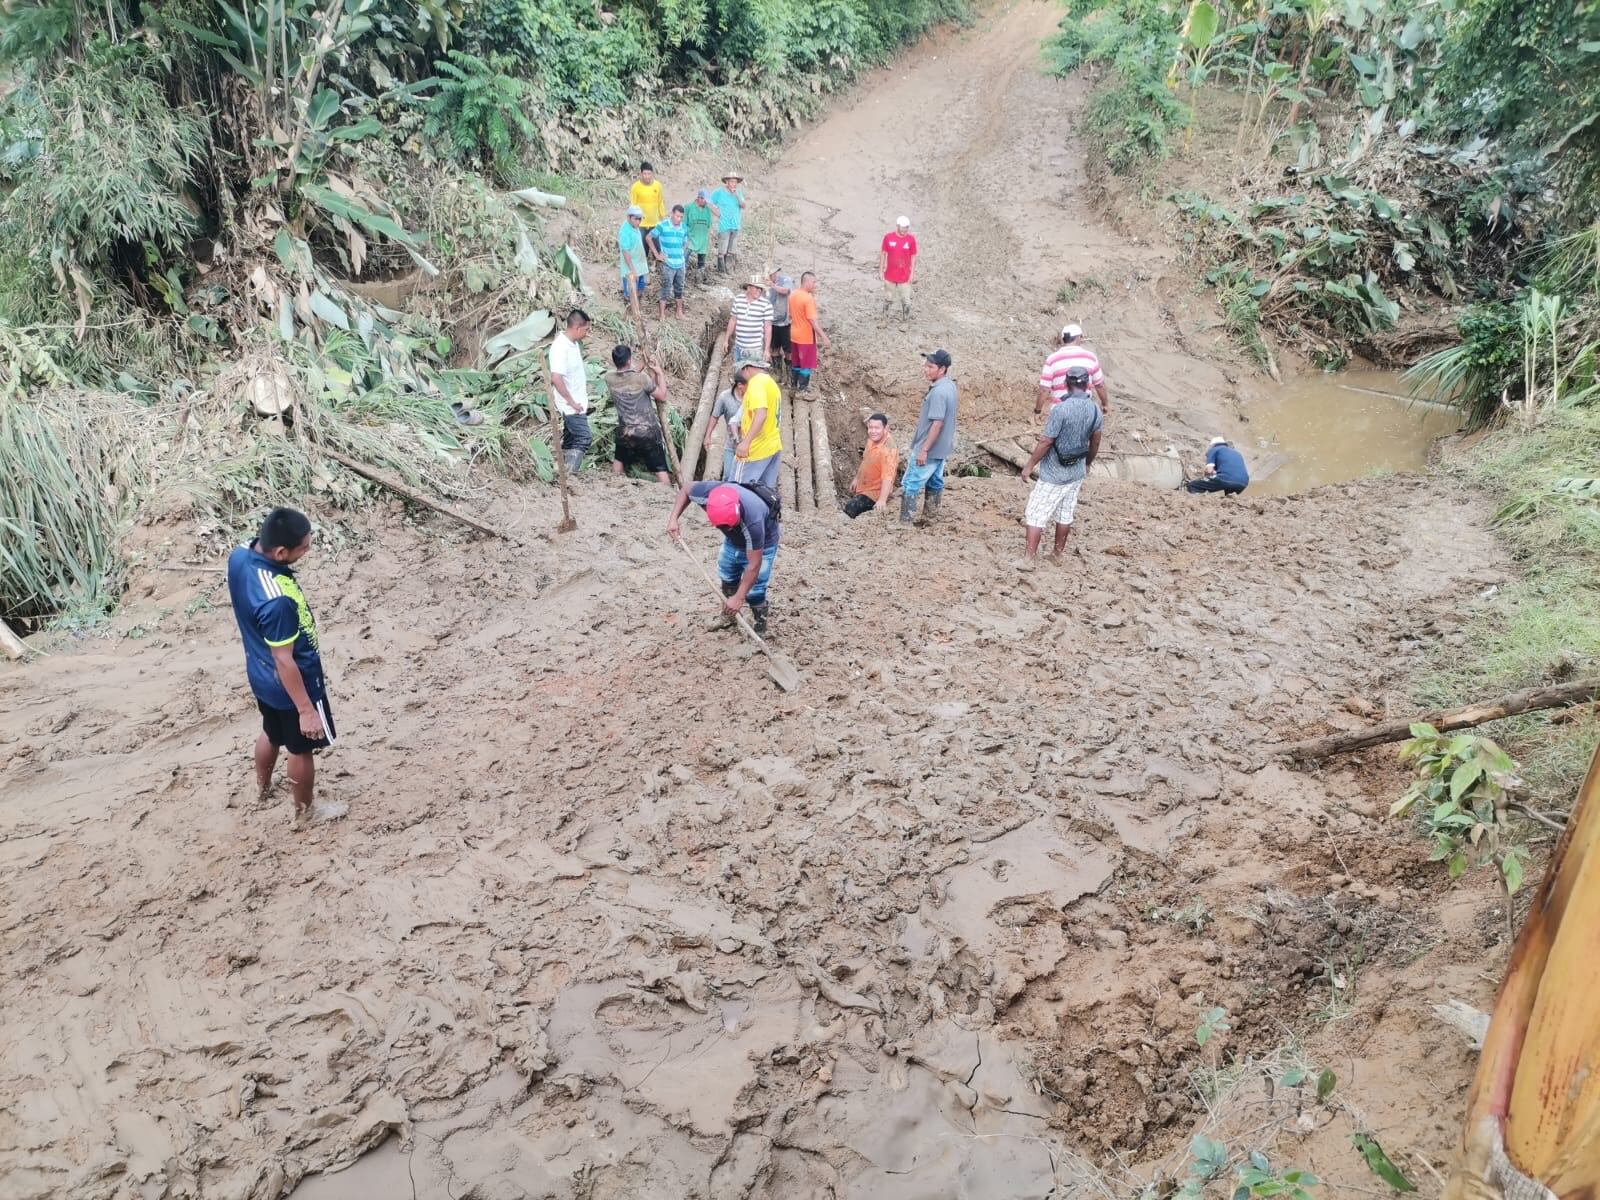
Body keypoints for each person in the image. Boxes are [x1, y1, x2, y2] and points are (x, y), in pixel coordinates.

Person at [227, 507, 335, 829]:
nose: (308, 550)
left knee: (270, 732)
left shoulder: (240, 555)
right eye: (303, 547)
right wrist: (305, 709)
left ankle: (262, 790)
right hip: (289, 683)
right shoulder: (277, 602)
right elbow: (284, 660)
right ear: (280, 552)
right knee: (301, 749)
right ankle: (306, 814)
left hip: (259, 673)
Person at [666, 480, 781, 635]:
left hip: (764, 542)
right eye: (723, 527)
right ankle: (729, 616)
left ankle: (760, 627)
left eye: (731, 525)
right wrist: (673, 519)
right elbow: (685, 489)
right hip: (733, 540)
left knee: (755, 590)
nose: (728, 529)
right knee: (727, 576)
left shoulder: (753, 520)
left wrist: (739, 598)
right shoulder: (706, 494)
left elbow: (754, 565)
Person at [1016, 373, 1104, 561]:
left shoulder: (1060, 410)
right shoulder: (1095, 410)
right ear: (1088, 385)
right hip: (1077, 470)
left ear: (1065, 384)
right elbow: (1095, 442)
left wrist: (1029, 465)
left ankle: (1028, 558)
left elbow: (1046, 441)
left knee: (1035, 512)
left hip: (1054, 471)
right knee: (1065, 512)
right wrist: (1087, 463)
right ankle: (1057, 554)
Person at [901, 350, 957, 525]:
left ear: (942, 369)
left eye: (930, 366)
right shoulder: (950, 386)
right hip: (941, 448)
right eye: (925, 365)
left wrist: (924, 449)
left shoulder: (939, 392)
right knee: (934, 481)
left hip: (929, 448)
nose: (925, 369)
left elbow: (937, 423)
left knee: (911, 483)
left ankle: (905, 523)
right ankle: (930, 517)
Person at [604, 345, 673, 485]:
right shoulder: (642, 378)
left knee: (619, 461)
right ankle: (666, 492)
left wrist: (644, 361)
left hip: (625, 431)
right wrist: (659, 374)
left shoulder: (609, 378)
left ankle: (614, 485)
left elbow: (629, 376)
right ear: (629, 360)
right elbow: (662, 396)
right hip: (647, 431)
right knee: (660, 468)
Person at [549, 308, 592, 475]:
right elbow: (556, 378)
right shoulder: (560, 347)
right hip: (570, 406)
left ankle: (562, 472)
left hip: (577, 403)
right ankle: (570, 474)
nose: (587, 333)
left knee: (571, 439)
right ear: (577, 328)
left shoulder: (572, 344)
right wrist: (571, 401)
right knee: (584, 437)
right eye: (586, 329)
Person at [1037, 324, 1110, 416]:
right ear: (1079, 338)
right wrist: (1105, 404)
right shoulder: (1090, 358)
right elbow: (1100, 385)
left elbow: (1044, 389)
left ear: (1063, 340)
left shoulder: (1052, 359)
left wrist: (1037, 410)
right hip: (1084, 410)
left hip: (1059, 412)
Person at [732, 361, 783, 489]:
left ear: (747, 368)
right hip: (773, 446)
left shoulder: (755, 384)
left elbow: (761, 414)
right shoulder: (770, 383)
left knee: (737, 491)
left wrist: (746, 443)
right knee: (764, 495)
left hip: (755, 450)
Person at [845, 412, 898, 518]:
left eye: (877, 428)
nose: (873, 431)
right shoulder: (872, 440)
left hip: (876, 492)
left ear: (886, 428)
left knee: (851, 507)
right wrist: (856, 478)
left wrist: (882, 500)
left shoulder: (888, 450)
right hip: (865, 486)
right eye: (871, 428)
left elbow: (888, 477)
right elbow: (865, 460)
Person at [788, 271, 831, 392]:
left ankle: (793, 386)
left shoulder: (793, 294)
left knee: (796, 362)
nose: (815, 285)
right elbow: (812, 321)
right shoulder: (808, 298)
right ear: (806, 282)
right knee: (806, 364)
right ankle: (803, 389)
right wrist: (824, 337)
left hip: (794, 334)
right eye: (813, 282)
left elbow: (790, 315)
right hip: (805, 337)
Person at [653, 204, 689, 320]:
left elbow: (685, 242)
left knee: (680, 288)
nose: (679, 219)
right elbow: (649, 237)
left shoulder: (684, 227)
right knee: (666, 288)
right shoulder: (662, 225)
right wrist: (657, 254)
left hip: (680, 263)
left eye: (681, 217)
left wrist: (681, 253)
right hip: (668, 264)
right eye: (677, 216)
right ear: (672, 214)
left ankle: (679, 313)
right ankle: (662, 314)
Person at [727, 277, 773, 366]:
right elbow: (733, 320)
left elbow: (768, 328)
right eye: (757, 288)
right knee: (739, 375)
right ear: (748, 288)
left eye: (761, 289)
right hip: (738, 347)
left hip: (754, 349)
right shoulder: (738, 300)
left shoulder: (766, 304)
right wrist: (726, 339)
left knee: (752, 377)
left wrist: (766, 350)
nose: (759, 291)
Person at [879, 216, 918, 320]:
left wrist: (912, 274)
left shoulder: (911, 239)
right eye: (902, 227)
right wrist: (881, 271)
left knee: (906, 300)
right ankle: (884, 320)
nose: (905, 230)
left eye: (906, 227)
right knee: (888, 298)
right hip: (890, 275)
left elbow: (913, 257)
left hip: (904, 276)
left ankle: (905, 322)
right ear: (897, 226)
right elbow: (883, 254)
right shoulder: (888, 238)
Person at [706, 378, 743, 481]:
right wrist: (708, 436)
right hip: (731, 443)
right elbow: (715, 416)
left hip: (749, 446)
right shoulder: (725, 397)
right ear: (740, 385)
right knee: (728, 476)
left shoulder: (753, 397)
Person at [710, 171, 745, 273]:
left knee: (731, 249)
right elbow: (709, 201)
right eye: (732, 181)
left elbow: (743, 206)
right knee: (722, 249)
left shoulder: (739, 192)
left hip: (735, 224)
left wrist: (737, 195)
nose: (734, 184)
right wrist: (717, 212)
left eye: (735, 182)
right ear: (727, 182)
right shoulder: (719, 192)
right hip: (724, 225)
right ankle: (721, 271)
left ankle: (729, 269)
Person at [618, 205, 649, 322]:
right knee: (630, 292)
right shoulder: (625, 231)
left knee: (640, 288)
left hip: (640, 265)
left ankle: (637, 311)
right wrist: (632, 270)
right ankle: (629, 316)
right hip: (631, 268)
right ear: (628, 218)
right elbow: (625, 252)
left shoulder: (635, 228)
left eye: (640, 219)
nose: (638, 221)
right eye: (636, 219)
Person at [630, 161, 666, 246]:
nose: (647, 176)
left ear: (652, 174)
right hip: (641, 225)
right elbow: (633, 206)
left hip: (655, 224)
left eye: (649, 174)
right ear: (641, 174)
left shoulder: (657, 186)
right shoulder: (635, 187)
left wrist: (662, 217)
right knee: (643, 251)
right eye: (645, 174)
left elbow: (660, 202)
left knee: (658, 249)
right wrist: (632, 223)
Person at [685, 189, 714, 283]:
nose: (706, 203)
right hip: (690, 238)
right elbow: (683, 224)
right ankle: (680, 280)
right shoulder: (688, 207)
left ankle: (699, 281)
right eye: (705, 200)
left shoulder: (707, 210)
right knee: (683, 259)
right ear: (699, 198)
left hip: (702, 240)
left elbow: (709, 224)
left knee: (701, 262)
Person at [767, 270, 792, 380]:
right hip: (772, 322)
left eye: (773, 273)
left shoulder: (785, 280)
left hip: (785, 322)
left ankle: (790, 377)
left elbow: (785, 291)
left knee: (788, 351)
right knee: (774, 349)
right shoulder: (765, 284)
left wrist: (772, 285)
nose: (772, 275)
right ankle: (778, 374)